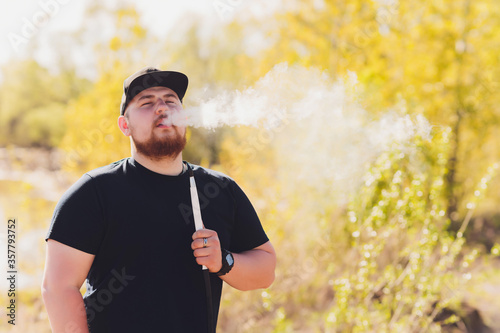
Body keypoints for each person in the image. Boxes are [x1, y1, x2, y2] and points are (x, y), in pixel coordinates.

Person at [41, 67, 276, 333]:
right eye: (147, 102)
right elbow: (58, 287)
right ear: (125, 125)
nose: (162, 108)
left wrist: (224, 261)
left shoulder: (220, 190)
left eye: (170, 101)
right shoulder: (93, 192)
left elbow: (266, 270)